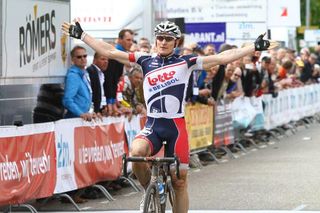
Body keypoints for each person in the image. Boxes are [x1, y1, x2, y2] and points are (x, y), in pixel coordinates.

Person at [62, 20, 272, 213]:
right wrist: (83, 35)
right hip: (153, 124)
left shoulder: (186, 60)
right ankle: (150, 190)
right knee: (136, 152)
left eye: (168, 39)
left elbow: (221, 57)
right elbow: (109, 51)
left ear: (176, 41)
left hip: (176, 128)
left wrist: (254, 47)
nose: (163, 42)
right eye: (160, 38)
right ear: (155, 40)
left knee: (180, 182)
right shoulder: (145, 59)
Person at [63, 45, 96, 121]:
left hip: (81, 119)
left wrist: (90, 112)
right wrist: (80, 113)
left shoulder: (84, 74)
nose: (83, 59)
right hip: (74, 119)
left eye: (85, 56)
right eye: (79, 57)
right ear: (73, 59)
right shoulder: (73, 76)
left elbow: (86, 99)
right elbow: (67, 100)